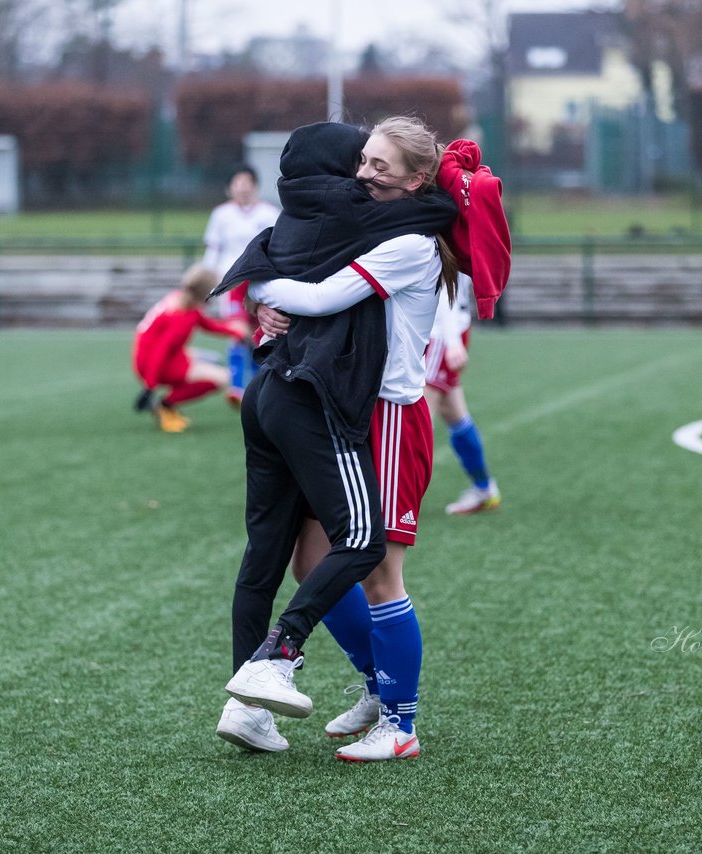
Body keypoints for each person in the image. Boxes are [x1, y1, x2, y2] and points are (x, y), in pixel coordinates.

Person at [223, 130, 509, 764]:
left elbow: (321, 295)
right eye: (362, 159)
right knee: (307, 559)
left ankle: (401, 724)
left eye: (379, 164)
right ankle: (377, 686)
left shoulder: (408, 244)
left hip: (390, 420)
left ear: (414, 182)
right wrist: (266, 313)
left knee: (380, 574)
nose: (363, 173)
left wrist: (261, 289)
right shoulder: (371, 226)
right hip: (343, 411)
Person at [131, 264, 249, 432]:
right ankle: (165, 405)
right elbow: (160, 352)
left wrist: (234, 332)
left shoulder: (181, 301)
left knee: (212, 360)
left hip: (161, 356)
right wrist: (150, 387)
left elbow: (207, 324)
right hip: (155, 364)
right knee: (223, 378)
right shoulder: (179, 317)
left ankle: (166, 405)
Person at [200, 166, 279, 405]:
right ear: (230, 187)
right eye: (237, 182)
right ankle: (235, 387)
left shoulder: (270, 214)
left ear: (254, 186)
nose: (242, 187)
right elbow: (213, 250)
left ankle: (256, 387)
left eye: (246, 182)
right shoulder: (221, 215)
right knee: (236, 332)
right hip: (232, 284)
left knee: (260, 334)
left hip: (259, 283)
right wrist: (208, 281)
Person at [425, 275, 502, 514]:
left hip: (440, 334)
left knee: (416, 421)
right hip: (447, 329)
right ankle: (484, 488)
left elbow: (447, 280)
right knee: (454, 414)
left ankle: (393, 504)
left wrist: (451, 340)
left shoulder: (445, 236)